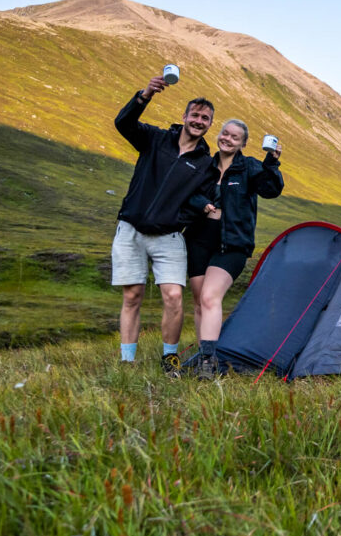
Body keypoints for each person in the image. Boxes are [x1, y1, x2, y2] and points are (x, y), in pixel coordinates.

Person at [111, 73, 217, 374]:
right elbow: (124, 124)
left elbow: (202, 201)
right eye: (195, 115)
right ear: (184, 116)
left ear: (209, 125)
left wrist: (174, 219)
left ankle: (170, 359)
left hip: (169, 237)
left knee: (173, 297)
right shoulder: (156, 139)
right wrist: (145, 95)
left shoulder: (205, 163)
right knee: (132, 295)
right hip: (130, 229)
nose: (199, 121)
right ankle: (127, 361)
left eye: (205, 118)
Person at [185, 119, 284, 378]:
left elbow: (271, 189)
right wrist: (201, 203)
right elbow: (186, 193)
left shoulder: (249, 167)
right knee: (198, 302)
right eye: (225, 134)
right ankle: (203, 355)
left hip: (233, 243)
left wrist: (272, 161)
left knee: (209, 297)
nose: (227, 139)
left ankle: (208, 363)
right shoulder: (204, 164)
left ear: (243, 143)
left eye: (234, 137)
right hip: (198, 238)